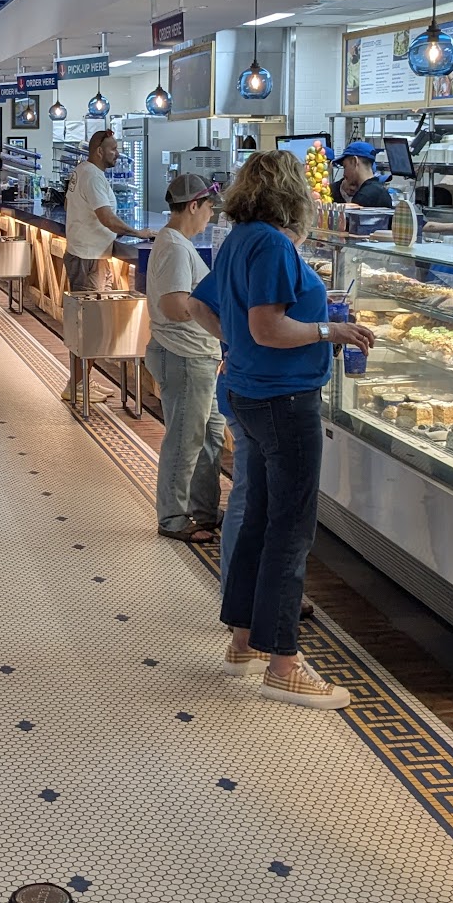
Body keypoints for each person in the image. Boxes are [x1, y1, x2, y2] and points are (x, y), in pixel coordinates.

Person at [185, 151, 373, 710]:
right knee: (291, 530)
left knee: (260, 519)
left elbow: (200, 306)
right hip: (283, 399)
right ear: (291, 192)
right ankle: (284, 665)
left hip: (250, 393)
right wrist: (330, 330)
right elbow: (269, 327)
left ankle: (244, 640)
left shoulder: (240, 237)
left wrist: (236, 344)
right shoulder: (270, 243)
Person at [145, 173, 226, 543]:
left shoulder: (176, 243)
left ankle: (204, 510)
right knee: (185, 440)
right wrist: (216, 314)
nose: (211, 216)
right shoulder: (176, 247)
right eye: (209, 208)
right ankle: (174, 518)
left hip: (197, 355)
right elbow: (175, 305)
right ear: (194, 205)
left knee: (209, 436)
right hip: (184, 355)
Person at [63, 128, 153, 293]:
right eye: (113, 149)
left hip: (85, 254)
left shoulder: (82, 169)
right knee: (91, 307)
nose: (117, 154)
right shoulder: (93, 177)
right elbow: (107, 219)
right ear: (99, 151)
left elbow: (67, 204)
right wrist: (138, 233)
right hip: (89, 259)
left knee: (92, 305)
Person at [330, 142, 392, 209]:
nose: (344, 174)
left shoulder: (365, 196)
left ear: (354, 161)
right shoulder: (379, 190)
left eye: (345, 166)